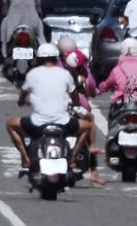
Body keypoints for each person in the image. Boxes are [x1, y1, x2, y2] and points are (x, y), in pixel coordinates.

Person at [7, 44, 82, 173]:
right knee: (87, 126)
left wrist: (21, 102)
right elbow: (75, 96)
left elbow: (23, 96)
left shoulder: (33, 74)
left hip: (37, 123)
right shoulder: (65, 74)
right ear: (55, 58)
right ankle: (73, 159)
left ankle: (25, 158)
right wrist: (75, 103)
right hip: (62, 122)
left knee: (10, 124)